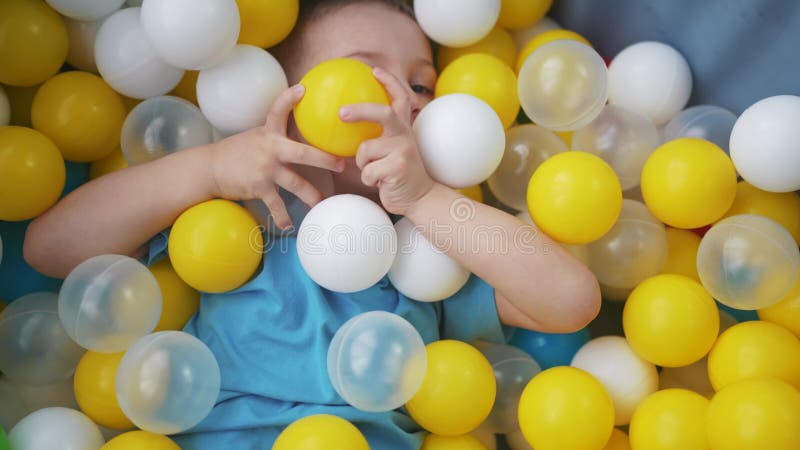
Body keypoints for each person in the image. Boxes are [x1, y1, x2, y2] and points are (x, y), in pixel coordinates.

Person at [24, 0, 600, 448]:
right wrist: (207, 170)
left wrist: (424, 199)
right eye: (365, 79)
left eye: (422, 84)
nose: (404, 102)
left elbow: (571, 300)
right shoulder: (234, 218)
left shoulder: (433, 253)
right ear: (290, 109)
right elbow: (49, 249)